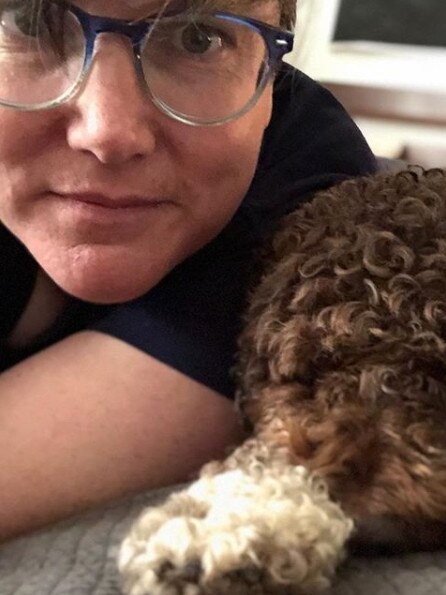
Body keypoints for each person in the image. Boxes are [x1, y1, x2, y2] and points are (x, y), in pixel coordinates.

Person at [0, 0, 376, 541]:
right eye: (31, 23)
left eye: (198, 38)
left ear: (270, 82)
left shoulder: (314, 199)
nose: (109, 133)